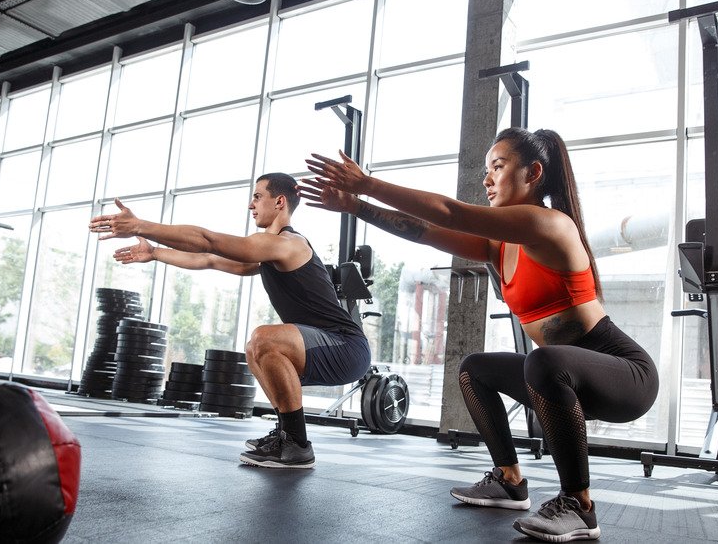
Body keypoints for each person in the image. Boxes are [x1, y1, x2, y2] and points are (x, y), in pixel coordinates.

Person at [299, 128, 658, 542]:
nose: (486, 180)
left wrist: (368, 184)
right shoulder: (500, 245)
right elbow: (423, 230)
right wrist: (355, 206)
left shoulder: (550, 224)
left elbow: (450, 212)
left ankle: (579, 504)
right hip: (562, 377)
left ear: (534, 173)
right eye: (486, 170)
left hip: (625, 375)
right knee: (475, 369)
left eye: (498, 168)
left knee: (542, 360)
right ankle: (509, 480)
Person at [89, 173, 371, 469]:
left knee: (265, 338)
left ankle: (297, 445)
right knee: (254, 349)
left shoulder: (289, 244)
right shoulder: (269, 251)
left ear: (279, 202)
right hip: (322, 346)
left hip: (346, 347)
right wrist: (156, 252)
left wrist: (140, 225)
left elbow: (207, 241)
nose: (251, 205)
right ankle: (287, 433)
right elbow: (208, 258)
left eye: (257, 197)